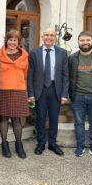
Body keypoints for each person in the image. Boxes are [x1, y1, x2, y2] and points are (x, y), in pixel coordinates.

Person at [28, 27, 68, 156]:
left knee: (54, 118)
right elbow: (30, 75)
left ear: (55, 37)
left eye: (52, 35)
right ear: (42, 37)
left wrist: (64, 94)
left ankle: (52, 143)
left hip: (55, 89)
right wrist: (31, 93)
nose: (49, 37)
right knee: (40, 118)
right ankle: (40, 143)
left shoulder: (62, 53)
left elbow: (65, 75)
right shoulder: (34, 53)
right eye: (46, 35)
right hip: (40, 90)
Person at [68, 31, 92, 159]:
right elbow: (68, 77)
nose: (85, 42)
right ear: (78, 42)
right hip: (77, 96)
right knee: (79, 123)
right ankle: (80, 147)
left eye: (87, 40)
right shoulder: (72, 58)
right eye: (82, 40)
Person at [0, 30, 29, 159]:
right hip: (2, 90)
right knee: (3, 118)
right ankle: (4, 144)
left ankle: (19, 144)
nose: (12, 42)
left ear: (18, 42)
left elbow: (25, 74)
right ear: (6, 40)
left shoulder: (24, 55)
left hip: (18, 90)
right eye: (10, 39)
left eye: (15, 40)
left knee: (16, 119)